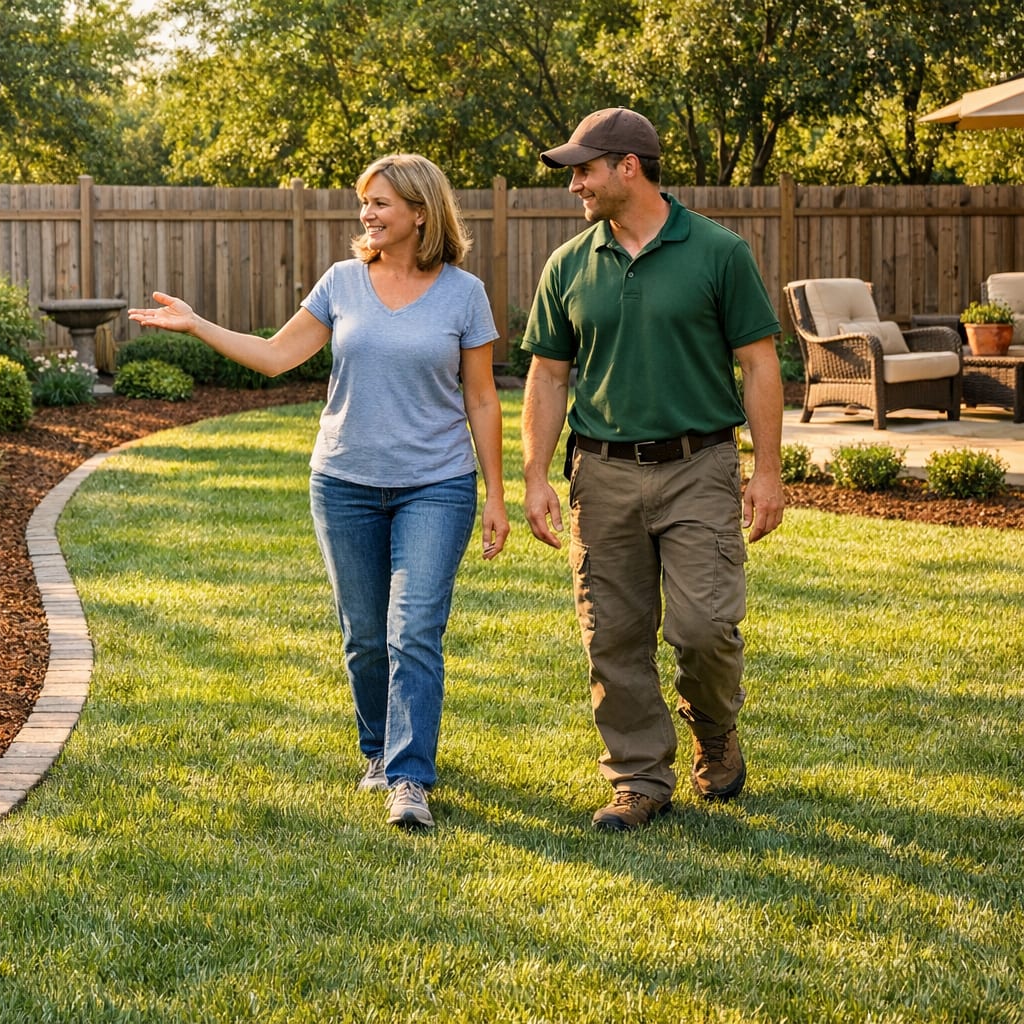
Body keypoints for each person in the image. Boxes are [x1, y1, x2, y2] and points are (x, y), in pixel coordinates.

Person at [129, 153, 508, 830]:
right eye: (365, 202)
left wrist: (498, 495)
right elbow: (276, 355)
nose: (367, 214)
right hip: (345, 485)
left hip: (437, 484)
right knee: (364, 636)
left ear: (420, 211)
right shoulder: (341, 283)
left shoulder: (463, 293)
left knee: (414, 629)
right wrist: (198, 325)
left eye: (381, 202)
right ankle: (377, 749)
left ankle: (409, 778)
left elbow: (481, 400)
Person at [519, 108, 785, 832]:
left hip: (698, 464)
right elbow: (547, 375)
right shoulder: (569, 264)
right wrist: (535, 476)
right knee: (612, 634)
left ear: (627, 166)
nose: (576, 183)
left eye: (585, 168)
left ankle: (713, 726)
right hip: (601, 473)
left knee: (705, 627)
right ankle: (639, 778)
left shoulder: (717, 252)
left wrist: (768, 471)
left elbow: (759, 362)